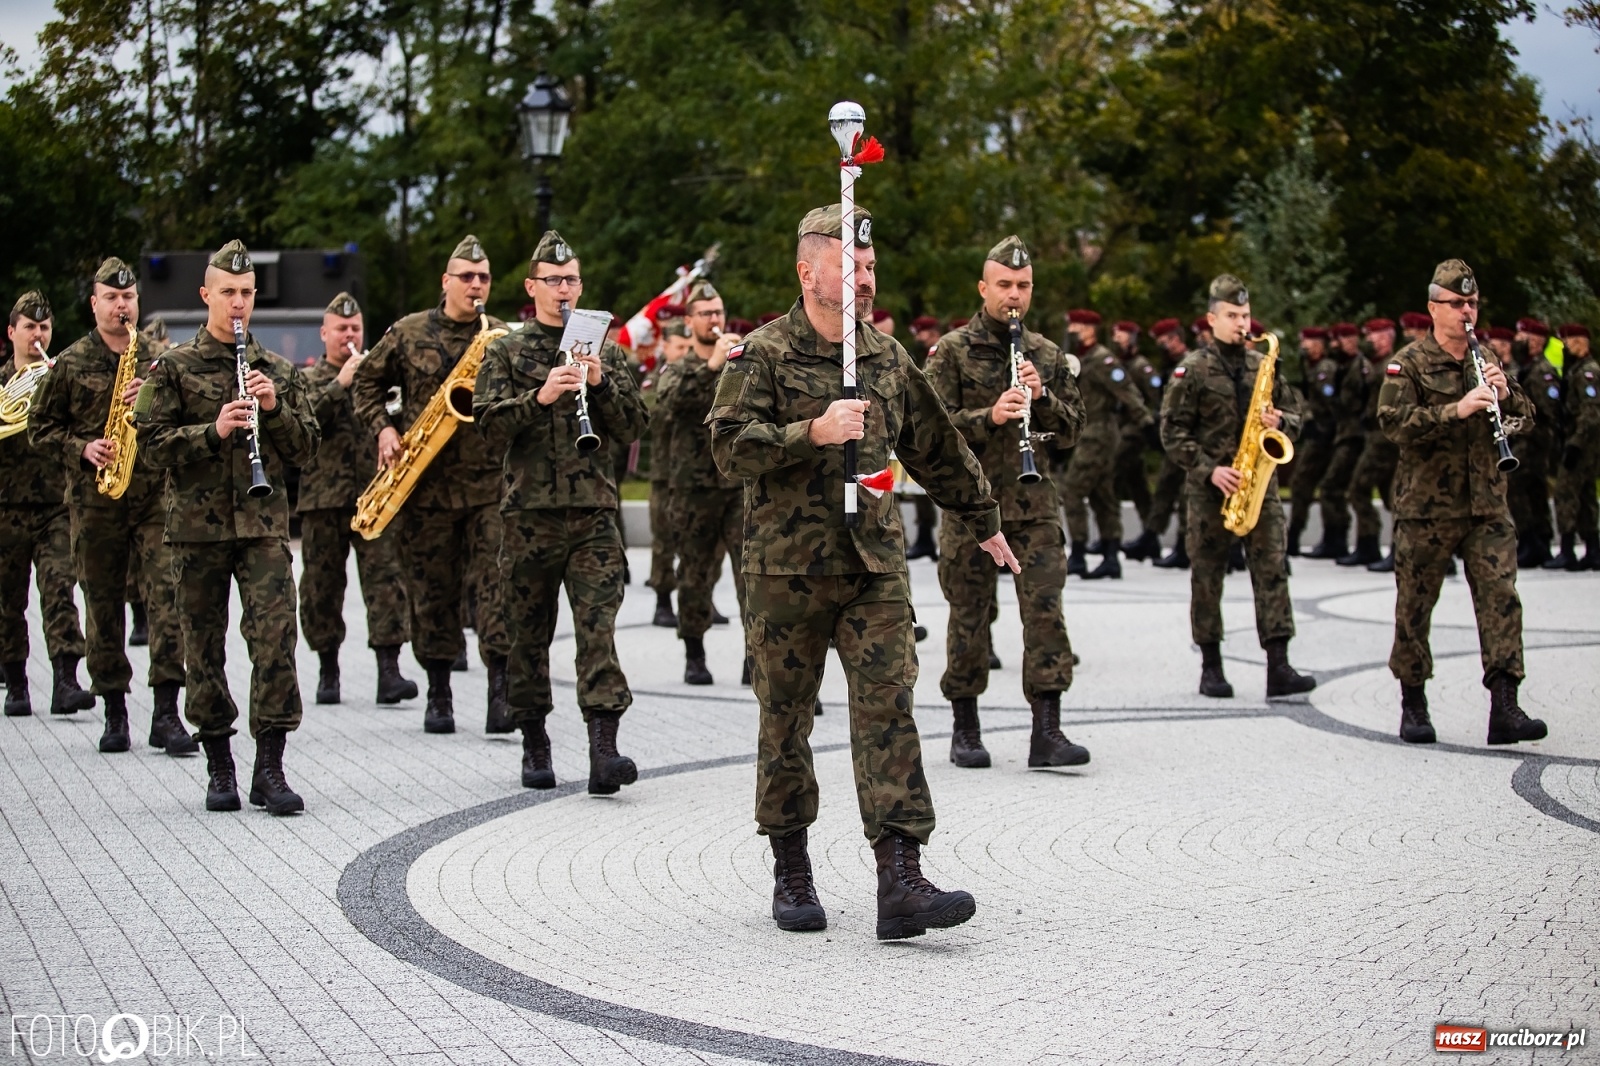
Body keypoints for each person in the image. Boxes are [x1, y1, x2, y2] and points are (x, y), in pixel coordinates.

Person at [707, 203, 1020, 941]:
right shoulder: (763, 354)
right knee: (786, 719)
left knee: (888, 709)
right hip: (786, 571)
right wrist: (808, 433)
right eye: (851, 265)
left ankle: (900, 879)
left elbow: (938, 445)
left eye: (872, 267)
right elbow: (726, 450)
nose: (866, 278)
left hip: (872, 565)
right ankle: (792, 869)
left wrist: (983, 519)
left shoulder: (884, 357)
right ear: (808, 271)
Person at [133, 240, 321, 813]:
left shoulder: (279, 371)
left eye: (245, 294)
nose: (237, 304)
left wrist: (275, 411)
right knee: (203, 647)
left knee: (275, 642)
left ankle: (270, 767)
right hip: (197, 530)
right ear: (205, 295)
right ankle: (219, 765)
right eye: (227, 294)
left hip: (263, 528)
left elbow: (308, 446)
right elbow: (147, 447)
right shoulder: (175, 368)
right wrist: (210, 431)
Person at [474, 229, 649, 792]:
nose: (564, 290)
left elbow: (635, 427)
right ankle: (534, 741)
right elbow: (486, 428)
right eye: (553, 281)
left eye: (571, 279)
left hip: (593, 516)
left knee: (599, 632)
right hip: (528, 518)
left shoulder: (606, 349)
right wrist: (541, 395)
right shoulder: (504, 349)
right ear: (532, 287)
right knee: (528, 635)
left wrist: (598, 384)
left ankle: (604, 749)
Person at [925, 235, 1089, 769]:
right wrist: (988, 417)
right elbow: (927, 431)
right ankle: (965, 729)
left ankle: (1048, 731)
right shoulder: (951, 351)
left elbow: (1071, 433)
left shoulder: (1046, 354)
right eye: (1003, 285)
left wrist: (1042, 399)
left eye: (1022, 286)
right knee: (969, 619)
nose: (1013, 295)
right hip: (972, 512)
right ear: (983, 287)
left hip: (1034, 507)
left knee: (1046, 616)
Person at [1377, 259, 1546, 746]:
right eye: (1456, 304)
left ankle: (1505, 706)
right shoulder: (1407, 363)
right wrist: (1456, 409)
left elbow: (1527, 418)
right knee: (1415, 606)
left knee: (1501, 600)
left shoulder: (1486, 356)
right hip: (1426, 509)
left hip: (1487, 505)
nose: (1466, 312)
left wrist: (1505, 393)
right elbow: (1393, 423)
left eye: (1472, 303)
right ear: (1434, 308)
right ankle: (1413, 702)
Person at [29, 258, 192, 754]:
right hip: (95, 502)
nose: (122, 306)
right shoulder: (71, 362)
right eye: (111, 298)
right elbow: (39, 428)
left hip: (153, 500)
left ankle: (167, 713)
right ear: (95, 303)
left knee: (168, 600)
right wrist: (81, 448)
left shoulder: (160, 357)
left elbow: (190, 416)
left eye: (129, 298)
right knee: (102, 607)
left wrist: (156, 398)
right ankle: (115, 712)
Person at [351, 235, 512, 734]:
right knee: (432, 590)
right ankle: (439, 691)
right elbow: (365, 383)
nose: (476, 285)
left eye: (483, 276)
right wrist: (383, 427)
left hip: (489, 486)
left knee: (496, 589)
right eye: (466, 276)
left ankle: (501, 693)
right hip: (425, 487)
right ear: (446, 282)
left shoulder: (501, 335)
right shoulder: (408, 331)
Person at [1160, 274, 1317, 700]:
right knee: (1207, 577)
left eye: (1245, 315)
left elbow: (1298, 415)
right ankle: (1211, 666)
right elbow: (1172, 432)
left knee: (1272, 572)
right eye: (1232, 315)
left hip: (1259, 486)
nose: (1241, 323)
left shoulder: (1262, 364)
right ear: (1212, 319)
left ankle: (1278, 665)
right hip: (1210, 489)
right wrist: (1209, 469)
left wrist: (1280, 422)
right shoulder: (1191, 369)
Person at [295, 292, 418, 706]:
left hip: (375, 493)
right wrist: (339, 383)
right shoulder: (308, 379)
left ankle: (390, 671)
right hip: (323, 499)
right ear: (324, 333)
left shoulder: (379, 379)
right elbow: (302, 424)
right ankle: (328, 671)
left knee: (386, 580)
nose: (349, 335)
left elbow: (401, 418)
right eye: (341, 329)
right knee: (321, 587)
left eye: (355, 329)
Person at [1, 291, 92, 718]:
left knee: (59, 590)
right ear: (12, 332)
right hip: (6, 506)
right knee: (8, 600)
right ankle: (16, 684)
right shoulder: (2, 384)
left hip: (56, 503)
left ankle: (66, 680)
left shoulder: (60, 379)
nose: (38, 335)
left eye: (44, 327)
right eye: (30, 328)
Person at [1061, 309, 1150, 579]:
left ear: (1090, 328)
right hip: (1088, 430)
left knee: (1073, 490)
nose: (1073, 329)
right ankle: (1111, 556)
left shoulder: (1102, 359)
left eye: (1077, 325)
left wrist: (1145, 421)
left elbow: (1126, 390)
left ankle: (1077, 553)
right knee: (1102, 494)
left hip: (1099, 432)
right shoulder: (1082, 357)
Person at [1339, 318, 1401, 569]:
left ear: (1386, 337)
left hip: (1384, 438)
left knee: (1359, 489)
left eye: (1373, 336)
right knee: (1392, 495)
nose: (1369, 341)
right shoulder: (1372, 365)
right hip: (1377, 436)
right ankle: (1384, 547)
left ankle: (1371, 544)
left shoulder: (1392, 365)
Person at [644, 305, 689, 628]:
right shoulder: (654, 381)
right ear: (666, 348)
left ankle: (699, 600)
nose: (685, 353)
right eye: (679, 348)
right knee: (664, 541)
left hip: (695, 475)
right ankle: (662, 599)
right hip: (664, 475)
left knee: (699, 546)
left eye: (689, 348)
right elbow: (653, 418)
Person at [1547, 324, 1598, 569]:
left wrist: (1575, 445)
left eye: (1569, 340)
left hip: (1583, 444)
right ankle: (1593, 549)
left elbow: (1591, 414)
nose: (1566, 345)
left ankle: (1568, 549)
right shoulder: (1576, 370)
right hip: (1580, 441)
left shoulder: (1588, 372)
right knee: (1586, 495)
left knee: (1566, 493)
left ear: (1582, 341)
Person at [1508, 317, 1559, 568]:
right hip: (1525, 438)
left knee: (1516, 484)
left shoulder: (1542, 371)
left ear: (1536, 342)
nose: (1517, 342)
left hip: (1535, 440)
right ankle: (1537, 542)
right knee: (1533, 490)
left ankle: (1532, 540)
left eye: (1522, 338)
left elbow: (1545, 411)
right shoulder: (1524, 368)